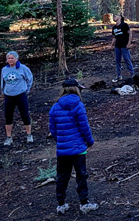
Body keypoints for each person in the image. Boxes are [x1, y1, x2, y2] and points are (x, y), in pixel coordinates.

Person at [49, 78, 98, 215]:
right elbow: (84, 127)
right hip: (78, 149)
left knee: (62, 176)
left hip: (63, 150)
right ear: (76, 89)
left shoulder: (55, 107)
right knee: (81, 175)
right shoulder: (78, 105)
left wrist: (61, 141)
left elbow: (53, 129)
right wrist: (90, 142)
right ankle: (84, 203)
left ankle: (61, 204)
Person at [1, 51, 34, 145]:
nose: (10, 60)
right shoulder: (4, 70)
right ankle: (8, 137)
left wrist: (26, 89)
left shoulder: (23, 68)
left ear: (16, 58)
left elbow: (29, 78)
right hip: (9, 96)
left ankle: (29, 135)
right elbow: (2, 82)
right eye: (9, 58)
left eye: (12, 58)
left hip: (20, 95)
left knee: (24, 115)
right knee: (8, 116)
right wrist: (3, 91)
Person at [110, 15, 135, 82]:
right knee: (117, 61)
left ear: (120, 17)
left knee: (127, 60)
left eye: (116, 16)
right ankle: (118, 76)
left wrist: (129, 43)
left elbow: (130, 34)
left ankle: (133, 75)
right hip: (117, 46)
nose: (114, 17)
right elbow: (114, 37)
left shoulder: (124, 25)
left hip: (124, 46)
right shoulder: (114, 27)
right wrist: (111, 45)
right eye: (113, 16)